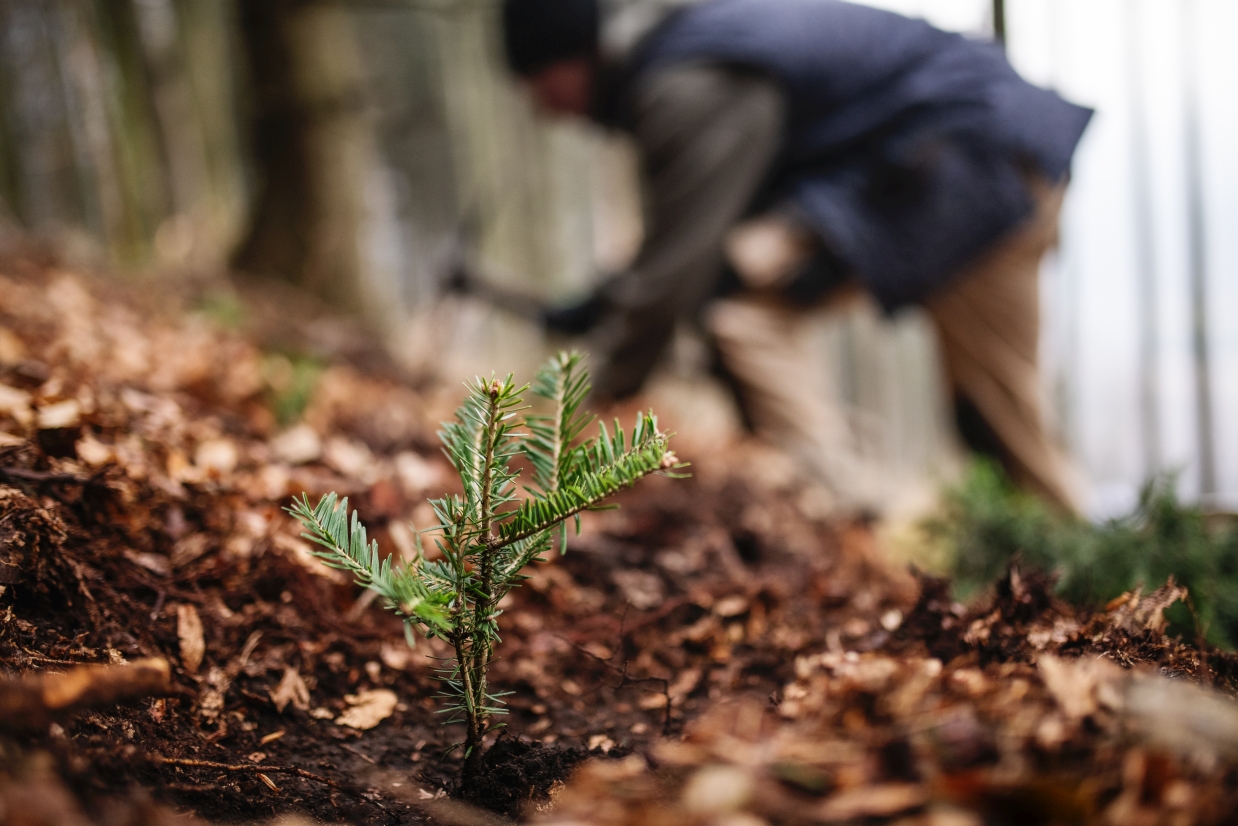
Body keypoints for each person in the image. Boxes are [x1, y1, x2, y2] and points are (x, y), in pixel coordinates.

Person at [500, 0, 1092, 512]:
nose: (539, 107)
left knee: (998, 424)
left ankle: (854, 511)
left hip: (973, 162)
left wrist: (586, 406)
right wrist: (608, 298)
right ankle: (845, 502)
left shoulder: (684, 85)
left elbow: (676, 268)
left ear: (574, 55)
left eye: (536, 81)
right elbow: (687, 241)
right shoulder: (683, 58)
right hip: (948, 160)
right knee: (741, 303)